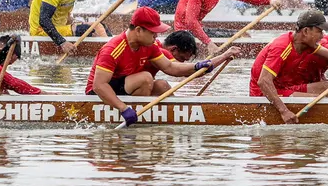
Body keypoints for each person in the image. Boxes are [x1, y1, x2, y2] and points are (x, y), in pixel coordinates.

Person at [86, 7, 236, 127]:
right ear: (138, 30)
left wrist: (197, 66)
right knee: (146, 78)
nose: (156, 37)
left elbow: (171, 68)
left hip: (125, 87)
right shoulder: (113, 48)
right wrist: (123, 109)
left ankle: (167, 121)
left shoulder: (150, 46)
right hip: (100, 93)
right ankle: (136, 120)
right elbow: (99, 86)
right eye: (153, 33)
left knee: (162, 85)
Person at [250, 10, 328, 124]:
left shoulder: (309, 44)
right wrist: (284, 111)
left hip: (285, 87)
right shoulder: (282, 47)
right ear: (306, 31)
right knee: (326, 89)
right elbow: (263, 81)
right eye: (319, 31)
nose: (322, 36)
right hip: (264, 94)